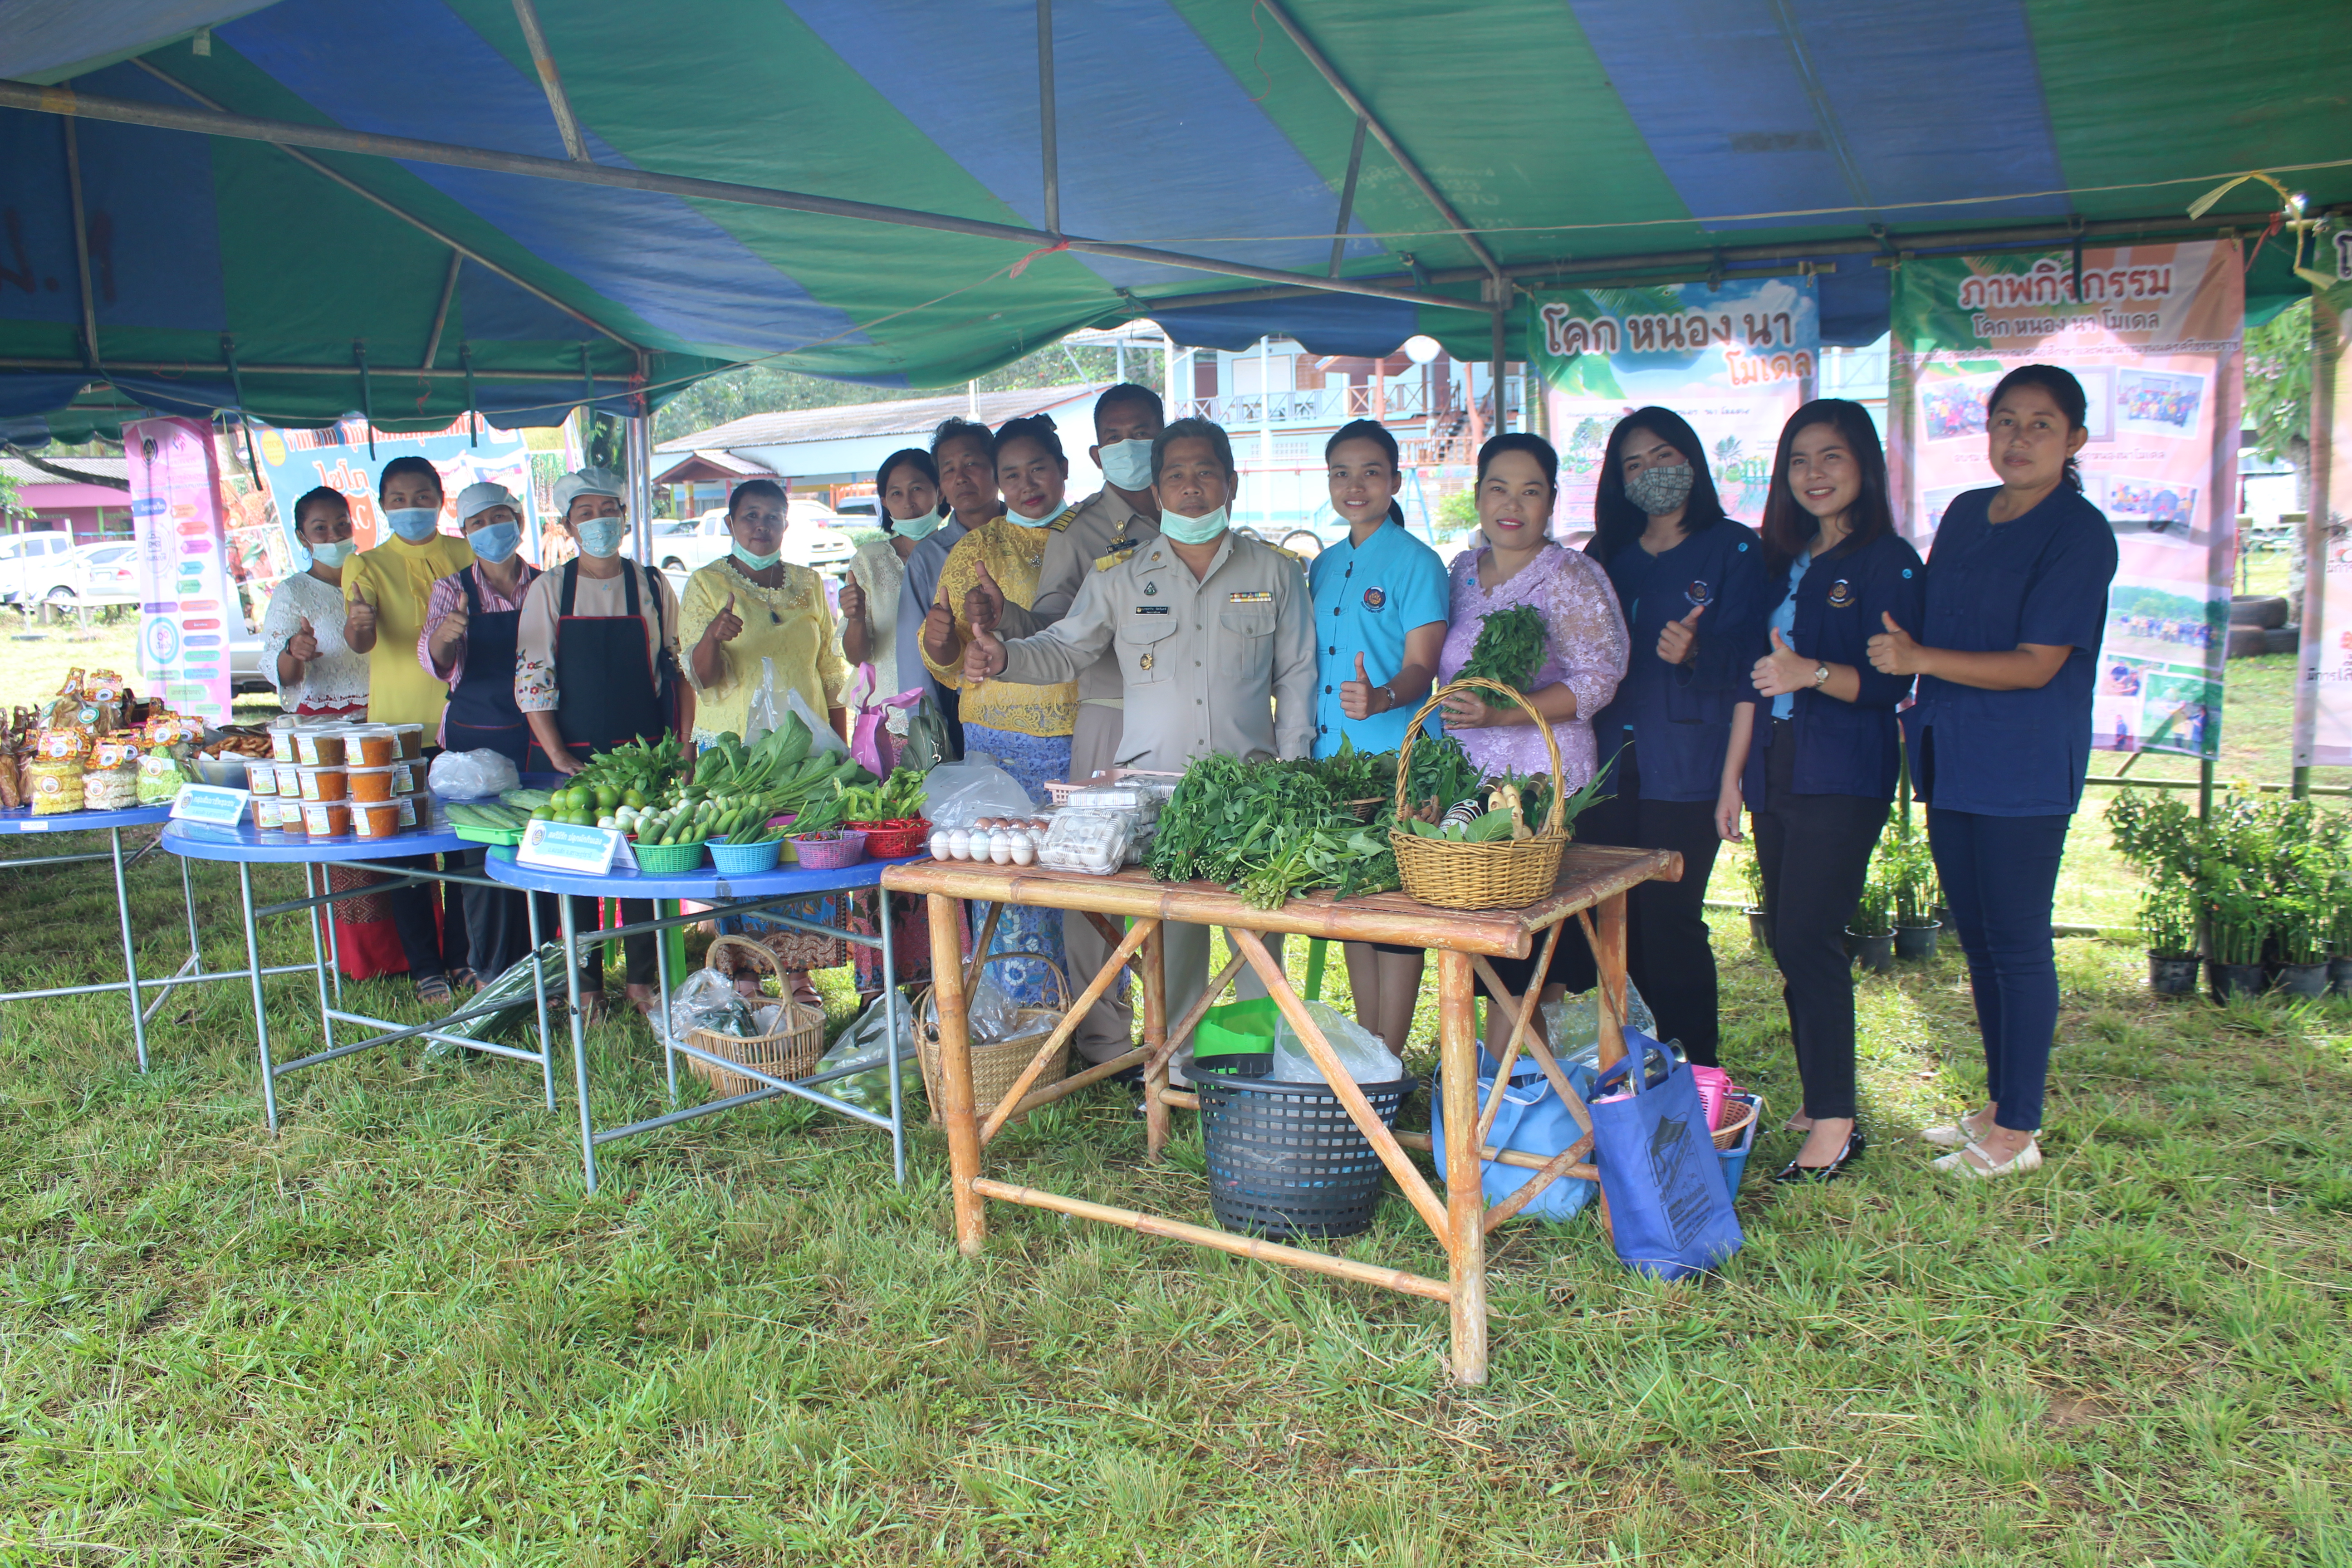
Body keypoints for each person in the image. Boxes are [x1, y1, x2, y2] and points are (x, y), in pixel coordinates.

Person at [963, 418, 1315, 1042]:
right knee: (1173, 943)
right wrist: (1005, 657)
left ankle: (1261, 1070)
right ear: (1156, 492)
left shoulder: (1276, 572)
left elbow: (1296, 680)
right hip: (1160, 798)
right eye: (1176, 475)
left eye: (1205, 471)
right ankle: (1178, 1065)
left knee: (1259, 940)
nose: (1191, 487)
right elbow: (1064, 649)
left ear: (1231, 482)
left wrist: (1291, 779)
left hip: (1254, 793)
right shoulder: (1121, 576)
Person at [1869, 364, 2118, 1179]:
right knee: (1975, 939)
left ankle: (2018, 1128)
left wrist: (1915, 658)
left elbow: (2036, 663)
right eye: (2004, 421)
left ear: (2073, 440)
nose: (2017, 438)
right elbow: (1933, 615)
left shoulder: (2078, 534)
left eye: (2039, 424)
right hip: (1951, 749)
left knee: (2015, 941)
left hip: (2022, 758)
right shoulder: (1967, 514)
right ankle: (1996, 1103)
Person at [1715, 400, 1924, 1182]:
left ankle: (1834, 1121)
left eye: (1831, 457)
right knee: (1788, 935)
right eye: (1799, 460)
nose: (1813, 474)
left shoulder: (1885, 561)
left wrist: (1814, 674)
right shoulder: (1781, 560)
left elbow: (1894, 677)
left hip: (1843, 766)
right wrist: (1732, 776)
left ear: (1862, 466)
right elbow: (1750, 672)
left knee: (1808, 935)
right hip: (1776, 761)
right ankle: (1818, 1094)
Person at [953, 384, 1165, 1067]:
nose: (1134, 446)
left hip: (1192, 719)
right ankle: (1106, 1048)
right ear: (1098, 452)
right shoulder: (1081, 536)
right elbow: (1056, 628)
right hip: (1108, 715)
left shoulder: (1198, 509)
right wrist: (1007, 625)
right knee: (1097, 883)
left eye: (1146, 431)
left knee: (1184, 884)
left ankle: (1180, 1044)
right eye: (1119, 436)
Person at [1577, 408, 1767, 1070]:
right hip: (1605, 765)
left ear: (1691, 460)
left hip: (1688, 762)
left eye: (1663, 456)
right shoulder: (1605, 557)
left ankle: (1698, 1069)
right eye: (1633, 464)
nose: (1650, 473)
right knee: (1609, 917)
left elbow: (1753, 662)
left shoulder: (1735, 549)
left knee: (1670, 919)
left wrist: (1696, 652)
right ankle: (1629, 1061)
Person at [1434, 432, 1629, 1062]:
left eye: (1530, 490)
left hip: (1545, 786)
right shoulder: (1462, 573)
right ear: (1478, 496)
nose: (1511, 503)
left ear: (1550, 503)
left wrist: (1504, 711)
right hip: (1473, 783)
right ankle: (1497, 1089)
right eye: (1498, 487)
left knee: (1528, 952)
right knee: (1482, 942)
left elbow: (1599, 678)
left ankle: (1508, 1095)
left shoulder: (1571, 576)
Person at [921, 415, 1082, 1008]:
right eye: (1011, 474)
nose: (1025, 483)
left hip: (1077, 734)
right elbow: (946, 657)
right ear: (998, 482)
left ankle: (1090, 1019)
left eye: (1037, 468)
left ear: (1064, 470)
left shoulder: (1095, 537)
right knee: (1003, 879)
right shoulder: (975, 548)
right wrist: (941, 639)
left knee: (1083, 876)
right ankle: (1013, 1019)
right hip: (995, 741)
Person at [515, 466, 685, 1020]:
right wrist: (560, 754)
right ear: (567, 525)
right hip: (571, 756)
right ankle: (583, 984)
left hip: (644, 753)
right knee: (572, 874)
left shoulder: (655, 586)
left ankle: (643, 981)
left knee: (644, 866)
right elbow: (534, 676)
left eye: (606, 510)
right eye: (584, 514)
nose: (598, 522)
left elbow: (674, 670)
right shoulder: (550, 589)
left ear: (625, 517)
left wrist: (680, 746)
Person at [679, 478, 850, 1009]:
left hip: (805, 752)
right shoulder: (706, 584)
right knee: (745, 862)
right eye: (750, 516)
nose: (761, 526)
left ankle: (799, 974)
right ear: (730, 524)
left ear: (785, 524)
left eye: (772, 516)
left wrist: (842, 754)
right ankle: (744, 975)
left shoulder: (808, 582)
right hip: (735, 755)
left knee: (802, 860)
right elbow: (698, 677)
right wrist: (713, 636)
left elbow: (829, 672)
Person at [1311, 419, 1449, 1058]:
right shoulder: (1323, 565)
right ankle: (1371, 1053)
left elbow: (1424, 666)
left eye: (1371, 472)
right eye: (1341, 472)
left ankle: (1388, 1064)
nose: (1355, 485)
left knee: (1395, 919)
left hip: (1399, 763)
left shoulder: (1418, 562)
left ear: (1395, 481)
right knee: (1355, 912)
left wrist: (1385, 696)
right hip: (1333, 766)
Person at [344, 456, 475, 1004]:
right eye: (398, 499)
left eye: (422, 496)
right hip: (397, 728)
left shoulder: (466, 552)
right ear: (383, 505)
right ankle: (426, 965)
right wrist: (358, 626)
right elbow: (361, 642)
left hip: (463, 720)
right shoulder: (365, 565)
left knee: (468, 849)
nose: (411, 508)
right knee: (409, 852)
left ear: (440, 498)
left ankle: (466, 957)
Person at [260, 486, 403, 980]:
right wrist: (293, 652)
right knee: (346, 841)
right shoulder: (293, 593)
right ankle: (366, 958)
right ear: (302, 537)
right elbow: (276, 667)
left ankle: (418, 948)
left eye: (342, 524)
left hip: (384, 720)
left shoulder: (374, 575)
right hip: (324, 736)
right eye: (320, 528)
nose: (334, 535)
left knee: (397, 830)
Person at [418, 482, 542, 984]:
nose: (491, 530)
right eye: (478, 523)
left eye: (499, 517)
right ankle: (485, 967)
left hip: (535, 738)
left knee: (535, 850)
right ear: (465, 533)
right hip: (473, 744)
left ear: (518, 520)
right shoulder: (452, 589)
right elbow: (438, 664)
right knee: (477, 858)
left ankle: (541, 961)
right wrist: (446, 639)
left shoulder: (545, 584)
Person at [896, 418, 1001, 752]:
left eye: (971, 463)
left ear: (996, 468)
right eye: (948, 469)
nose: (961, 477)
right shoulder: (928, 557)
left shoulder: (1037, 539)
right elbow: (914, 661)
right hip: (962, 714)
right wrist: (930, 738)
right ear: (941, 485)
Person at [838, 450, 941, 734]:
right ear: (884, 502)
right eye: (896, 494)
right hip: (887, 718)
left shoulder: (961, 552)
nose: (909, 503)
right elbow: (857, 656)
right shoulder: (869, 560)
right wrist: (856, 618)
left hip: (951, 711)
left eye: (917, 489)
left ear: (940, 492)